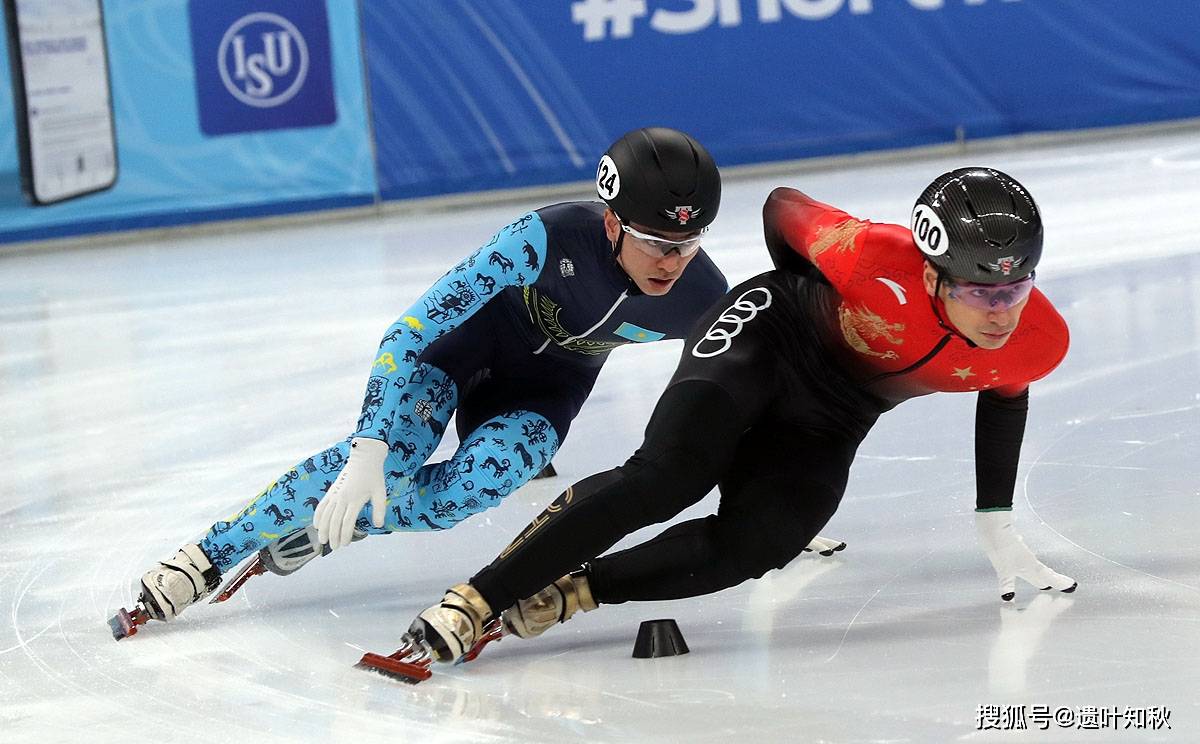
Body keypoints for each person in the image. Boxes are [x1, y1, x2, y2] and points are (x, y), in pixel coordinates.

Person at [397, 167, 1079, 666]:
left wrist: (995, 519)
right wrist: (805, 290)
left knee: (764, 542)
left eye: (1016, 287)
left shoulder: (1039, 339)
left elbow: (1007, 390)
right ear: (932, 274)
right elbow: (784, 207)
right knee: (668, 477)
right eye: (979, 291)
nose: (1000, 311)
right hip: (769, 333)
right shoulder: (868, 253)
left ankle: (568, 596)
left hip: (837, 411)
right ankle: (478, 598)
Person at [114, 127, 731, 635]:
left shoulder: (703, 296)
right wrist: (369, 447)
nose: (672, 262)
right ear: (611, 224)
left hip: (545, 395)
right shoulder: (544, 238)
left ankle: (337, 524)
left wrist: (750, 500)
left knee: (464, 496)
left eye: (688, 243)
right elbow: (408, 333)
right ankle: (208, 555)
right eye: (656, 241)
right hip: (458, 355)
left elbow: (739, 392)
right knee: (392, 457)